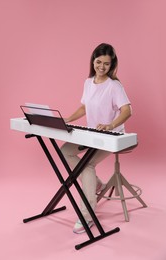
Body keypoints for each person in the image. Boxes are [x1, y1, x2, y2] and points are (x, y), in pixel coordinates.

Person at [61, 43, 132, 234]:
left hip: (112, 136)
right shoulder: (88, 82)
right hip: (92, 134)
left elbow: (127, 111)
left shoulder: (114, 86)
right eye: (98, 62)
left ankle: (87, 215)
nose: (101, 67)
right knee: (65, 151)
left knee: (87, 165)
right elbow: (84, 107)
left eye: (106, 64)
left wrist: (110, 125)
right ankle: (97, 183)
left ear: (112, 65)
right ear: (93, 61)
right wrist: (68, 118)